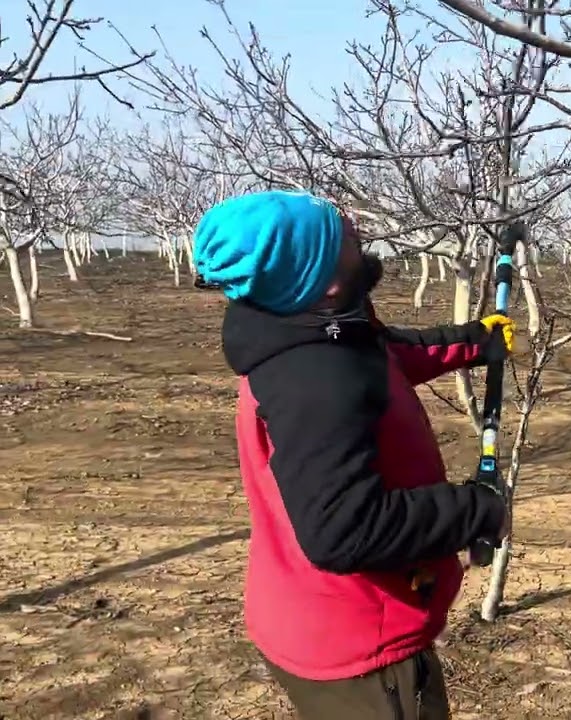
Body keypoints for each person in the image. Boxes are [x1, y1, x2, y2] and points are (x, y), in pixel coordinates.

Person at [192, 189, 513, 720]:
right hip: (359, 648)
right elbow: (345, 530)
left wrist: (474, 341)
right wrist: (479, 510)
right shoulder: (314, 380)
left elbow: (382, 355)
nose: (356, 227)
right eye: (340, 233)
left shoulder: (308, 322)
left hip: (315, 610)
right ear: (321, 274)